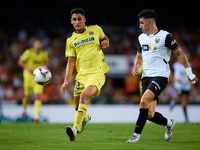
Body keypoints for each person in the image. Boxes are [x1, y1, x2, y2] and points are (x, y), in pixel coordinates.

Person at [126, 9, 198, 143]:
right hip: (146, 77)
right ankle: (169, 124)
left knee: (143, 101)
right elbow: (139, 55)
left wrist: (189, 72)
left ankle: (135, 136)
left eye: (141, 23)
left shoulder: (166, 37)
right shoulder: (141, 38)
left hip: (160, 76)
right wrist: (136, 66)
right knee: (149, 114)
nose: (140, 26)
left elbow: (181, 54)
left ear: (149, 22)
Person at [60, 8, 109, 141]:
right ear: (71, 21)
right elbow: (70, 63)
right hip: (81, 76)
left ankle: (74, 130)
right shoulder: (70, 41)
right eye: (74, 19)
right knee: (78, 107)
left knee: (84, 96)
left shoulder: (96, 29)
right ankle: (85, 119)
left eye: (79, 19)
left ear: (84, 19)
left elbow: (104, 39)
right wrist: (65, 81)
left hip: (96, 72)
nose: (77, 22)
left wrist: (106, 41)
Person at [18, 40, 49, 123]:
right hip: (29, 77)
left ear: (41, 45)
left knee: (37, 96)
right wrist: (27, 68)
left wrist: (44, 71)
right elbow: (20, 62)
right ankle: (24, 111)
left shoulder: (44, 54)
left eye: (40, 43)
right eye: (37, 43)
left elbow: (45, 63)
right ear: (34, 45)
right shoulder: (28, 52)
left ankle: (36, 118)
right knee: (27, 97)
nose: (38, 45)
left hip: (39, 78)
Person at [170, 58, 192, 122]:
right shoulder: (175, 66)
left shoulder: (189, 65)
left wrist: (191, 80)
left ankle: (174, 102)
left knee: (185, 102)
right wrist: (174, 80)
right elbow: (170, 74)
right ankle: (186, 118)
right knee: (184, 100)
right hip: (179, 85)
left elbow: (191, 73)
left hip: (186, 85)